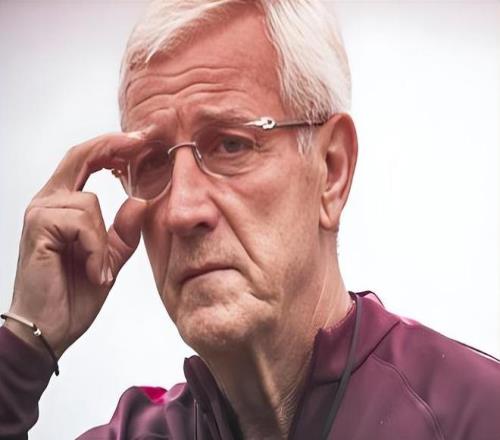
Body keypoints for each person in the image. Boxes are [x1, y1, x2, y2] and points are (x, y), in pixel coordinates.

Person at [1, 0, 499, 439]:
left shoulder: (476, 417)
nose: (182, 210)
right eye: (152, 161)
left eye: (230, 144)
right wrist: (22, 349)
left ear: (331, 170)